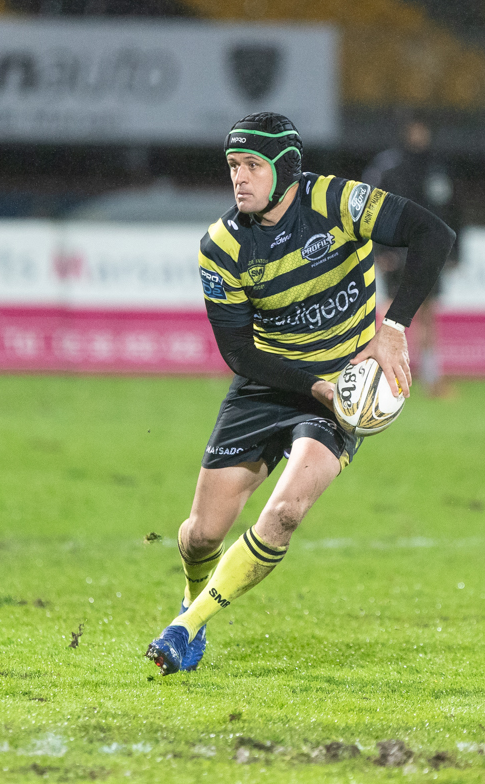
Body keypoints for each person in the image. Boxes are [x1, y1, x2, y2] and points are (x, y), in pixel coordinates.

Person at [145, 112, 455, 674]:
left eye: (251, 167)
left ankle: (185, 628)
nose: (239, 178)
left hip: (344, 384)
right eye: (233, 167)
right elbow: (239, 353)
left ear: (284, 171)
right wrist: (315, 385)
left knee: (284, 513)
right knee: (199, 536)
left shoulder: (338, 202)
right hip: (272, 383)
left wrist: (393, 327)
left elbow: (434, 234)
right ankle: (190, 600)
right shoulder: (220, 247)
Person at [363, 115, 458, 396]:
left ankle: (431, 378)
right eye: (414, 130)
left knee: (428, 315)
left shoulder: (438, 168)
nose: (419, 135)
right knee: (390, 312)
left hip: (428, 252)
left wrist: (453, 251)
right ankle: (376, 375)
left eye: (423, 130)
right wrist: (381, 250)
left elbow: (453, 210)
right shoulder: (387, 167)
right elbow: (370, 208)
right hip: (396, 253)